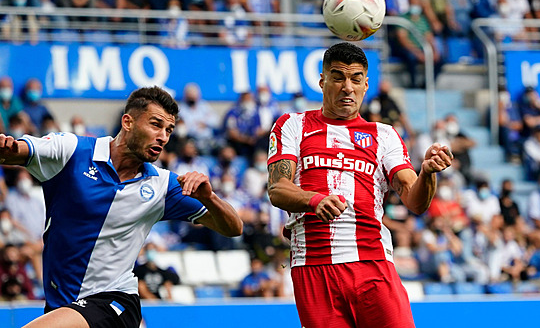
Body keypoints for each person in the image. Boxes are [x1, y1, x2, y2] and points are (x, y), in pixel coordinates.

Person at [0, 86, 242, 328]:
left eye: (169, 130)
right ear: (128, 122)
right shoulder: (72, 151)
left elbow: (234, 227)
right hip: (63, 306)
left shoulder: (163, 185)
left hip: (113, 302)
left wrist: (210, 198)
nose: (163, 136)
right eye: (155, 125)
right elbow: (16, 151)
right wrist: (7, 148)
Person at [267, 42, 453, 328]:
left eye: (355, 79)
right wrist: (314, 200)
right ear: (322, 81)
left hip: (372, 262)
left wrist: (427, 172)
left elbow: (415, 202)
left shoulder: (384, 135)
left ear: (366, 85)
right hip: (313, 266)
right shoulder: (293, 125)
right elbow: (278, 189)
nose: (347, 87)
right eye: (338, 77)